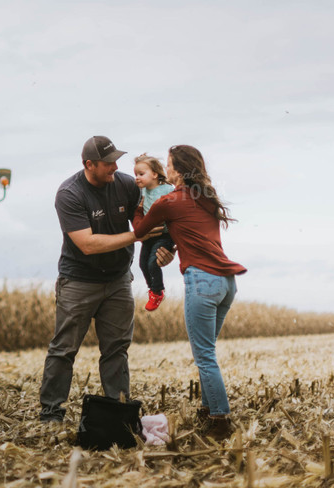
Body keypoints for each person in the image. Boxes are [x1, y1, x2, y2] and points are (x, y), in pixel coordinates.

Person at [131, 145, 247, 441]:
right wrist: (171, 247)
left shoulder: (168, 202)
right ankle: (209, 413)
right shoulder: (206, 198)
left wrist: (138, 202)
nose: (166, 171)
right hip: (227, 283)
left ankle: (221, 420)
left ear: (179, 171)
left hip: (203, 280)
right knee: (207, 352)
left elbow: (140, 231)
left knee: (205, 357)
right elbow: (191, 232)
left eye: (169, 165)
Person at [40, 136, 158, 423]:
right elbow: (87, 244)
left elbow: (148, 218)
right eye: (108, 163)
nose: (115, 167)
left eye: (116, 160)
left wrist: (162, 247)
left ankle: (118, 410)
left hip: (118, 281)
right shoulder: (69, 193)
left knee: (116, 349)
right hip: (79, 281)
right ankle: (51, 412)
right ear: (89, 164)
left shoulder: (126, 184)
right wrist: (136, 236)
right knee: (64, 349)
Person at [133, 154, 175, 312]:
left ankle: (158, 290)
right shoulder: (144, 192)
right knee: (142, 264)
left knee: (152, 263)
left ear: (155, 174)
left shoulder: (167, 189)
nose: (137, 178)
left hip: (164, 235)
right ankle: (153, 290)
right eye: (136, 174)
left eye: (141, 174)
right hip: (149, 237)